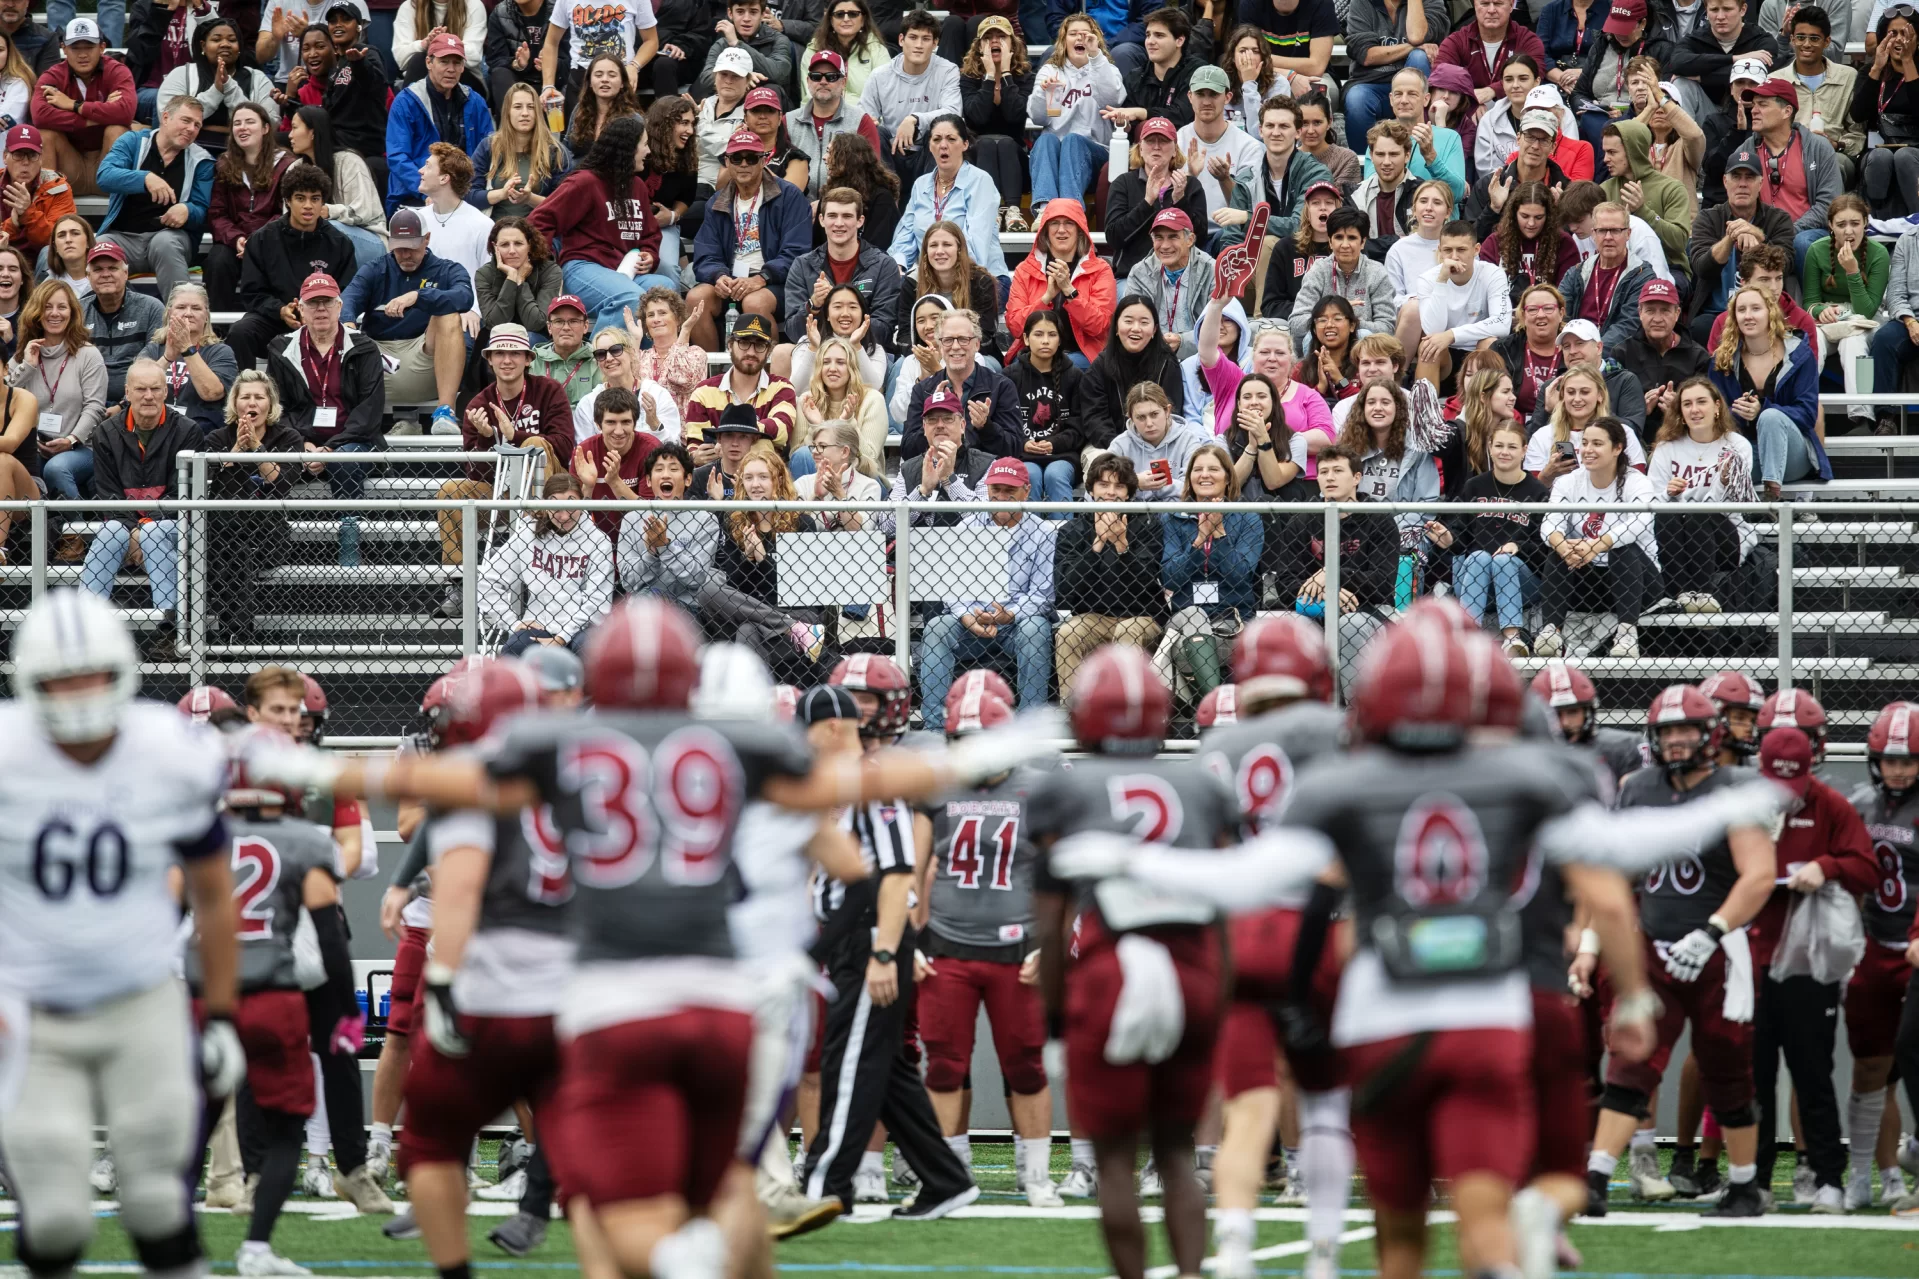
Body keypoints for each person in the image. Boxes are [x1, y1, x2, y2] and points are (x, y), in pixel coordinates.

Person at [0, 591, 241, 1279]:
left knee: (158, 1204)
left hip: (142, 1003)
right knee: (53, 1218)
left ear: (124, 671)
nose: (78, 695)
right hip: (30, 1012)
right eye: (60, 679)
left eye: (93, 675)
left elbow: (213, 892)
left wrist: (221, 1014)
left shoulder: (167, 747)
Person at [1026, 643, 1239, 1279]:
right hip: (1191, 964)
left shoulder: (1065, 791)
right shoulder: (1203, 784)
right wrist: (1219, 1004)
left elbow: (1052, 921)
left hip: (1110, 968)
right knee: (1176, 1152)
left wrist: (1057, 1023)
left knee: (1115, 1158)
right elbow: (1224, 907)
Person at [1587, 683, 1780, 1218]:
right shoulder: (1639, 788)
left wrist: (1713, 930)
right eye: (1668, 730)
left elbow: (1759, 874)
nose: (1676, 740)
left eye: (1686, 729)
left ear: (1708, 732)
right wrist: (1592, 939)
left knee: (1728, 1071)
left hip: (1719, 953)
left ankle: (1743, 1185)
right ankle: (1597, 1178)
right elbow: (1613, 869)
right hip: (1653, 947)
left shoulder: (1734, 789)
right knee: (1632, 1062)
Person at [917, 683, 1062, 1205]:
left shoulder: (1039, 787)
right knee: (943, 1064)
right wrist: (912, 937)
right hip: (947, 944)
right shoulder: (936, 785)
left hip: (1017, 947)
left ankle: (1037, 1172)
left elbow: (1058, 876)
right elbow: (915, 870)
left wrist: (1049, 943)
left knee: (1025, 1064)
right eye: (963, 738)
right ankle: (948, 1169)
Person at [1846, 702, 1919, 1212]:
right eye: (1890, 760)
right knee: (1872, 1069)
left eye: (1909, 760)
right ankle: (1878, 1174)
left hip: (1915, 951)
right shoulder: (1858, 806)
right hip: (1872, 948)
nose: (1898, 769)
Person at [265, 271, 386, 565]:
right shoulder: (281, 348)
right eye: (313, 303)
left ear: (340, 306)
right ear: (301, 309)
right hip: (301, 442)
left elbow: (369, 410)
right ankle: (269, 545)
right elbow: (276, 407)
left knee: (344, 459)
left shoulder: (364, 347)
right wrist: (302, 445)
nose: (321, 309)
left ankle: (349, 539)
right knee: (263, 463)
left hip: (354, 441)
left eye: (327, 302)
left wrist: (330, 449)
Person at [80, 358, 199, 638]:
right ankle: (85, 626)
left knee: (154, 534)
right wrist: (133, 529)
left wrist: (143, 526)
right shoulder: (105, 432)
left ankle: (169, 630)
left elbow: (181, 494)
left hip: (172, 523)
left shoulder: (188, 430)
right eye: (141, 389)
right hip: (125, 523)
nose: (148, 396)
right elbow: (108, 493)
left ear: (166, 391)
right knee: (109, 532)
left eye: (156, 389)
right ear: (128, 392)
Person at [1533, 415, 1659, 660]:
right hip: (1587, 578)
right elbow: (1549, 523)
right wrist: (1565, 547)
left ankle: (1626, 633)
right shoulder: (1567, 482)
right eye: (1585, 443)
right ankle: (1551, 632)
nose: (1587, 450)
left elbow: (1640, 523)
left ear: (1617, 448)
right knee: (1557, 550)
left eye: (1597, 444)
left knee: (1623, 548)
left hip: (1638, 583)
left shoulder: (1637, 482)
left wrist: (1596, 546)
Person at [340, 207, 472, 432]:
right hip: (377, 358)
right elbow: (347, 300)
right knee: (337, 324)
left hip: (425, 357)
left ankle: (445, 411)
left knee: (448, 314)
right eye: (399, 248)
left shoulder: (447, 269)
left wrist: (419, 297)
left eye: (411, 247)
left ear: (426, 239)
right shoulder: (375, 269)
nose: (406, 255)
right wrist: (348, 327)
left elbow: (464, 297)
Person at [225, 162, 357, 375]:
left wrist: (317, 310)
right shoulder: (261, 240)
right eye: (300, 198)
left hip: (323, 320)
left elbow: (348, 292)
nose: (308, 206)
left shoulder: (340, 243)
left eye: (315, 199)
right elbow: (252, 293)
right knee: (241, 332)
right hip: (275, 320)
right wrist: (280, 310)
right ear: (287, 201)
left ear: (323, 202)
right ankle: (243, 394)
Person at [686, 127, 812, 350]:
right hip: (732, 280)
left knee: (754, 302)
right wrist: (718, 276)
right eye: (737, 158)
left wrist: (761, 278)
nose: (744, 164)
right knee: (696, 299)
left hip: (777, 282)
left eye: (751, 158)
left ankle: (771, 375)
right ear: (728, 162)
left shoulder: (789, 196)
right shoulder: (717, 201)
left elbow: (797, 252)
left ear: (763, 161)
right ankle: (714, 374)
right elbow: (706, 252)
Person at [1431, 418, 1549, 653]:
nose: (1504, 452)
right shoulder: (1474, 487)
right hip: (1475, 577)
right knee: (1479, 557)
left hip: (1521, 580)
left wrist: (1518, 546)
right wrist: (1448, 540)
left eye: (1512, 447)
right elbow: (1460, 535)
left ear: (1524, 451)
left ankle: (1513, 638)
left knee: (1502, 559)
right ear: (1490, 447)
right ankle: (1466, 638)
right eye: (1499, 446)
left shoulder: (1538, 492)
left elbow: (1544, 548)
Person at [1156, 443, 1260, 702]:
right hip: (1184, 616)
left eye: (1213, 469)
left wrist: (1221, 535)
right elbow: (1169, 577)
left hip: (1233, 617)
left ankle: (1208, 708)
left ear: (1227, 478)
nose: (1204, 475)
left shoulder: (1247, 517)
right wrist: (1198, 541)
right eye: (1197, 469)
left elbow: (1241, 577)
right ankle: (1219, 704)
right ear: (1189, 478)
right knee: (1194, 614)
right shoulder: (1173, 518)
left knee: (1195, 631)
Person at [1050, 451, 1163, 690]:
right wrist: (1097, 545)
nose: (1111, 492)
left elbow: (1148, 583)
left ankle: (1128, 711)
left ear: (1129, 493)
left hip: (1141, 617)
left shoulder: (1148, 525)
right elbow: (1064, 591)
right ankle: (1073, 715)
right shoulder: (1071, 530)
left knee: (1127, 630)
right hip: (1092, 616)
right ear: (1091, 490)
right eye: (1103, 485)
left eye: (1119, 486)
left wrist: (1122, 545)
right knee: (1067, 633)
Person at [1708, 283, 1826, 501]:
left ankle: (1771, 498)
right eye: (1741, 310)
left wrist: (1763, 408)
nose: (1748, 316)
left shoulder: (1799, 355)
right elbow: (1714, 415)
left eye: (1756, 308)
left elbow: (1808, 414)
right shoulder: (1722, 359)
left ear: (1770, 312)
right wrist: (1738, 413)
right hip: (1746, 454)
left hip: (1791, 456)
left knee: (1770, 417)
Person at [1648, 375, 1753, 614]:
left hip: (1724, 538)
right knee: (1668, 514)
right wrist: (1670, 493)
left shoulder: (1737, 446)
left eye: (1701, 402)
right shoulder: (1667, 448)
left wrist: (1723, 483)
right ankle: (1681, 594)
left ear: (1717, 406)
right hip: (1675, 537)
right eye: (1687, 404)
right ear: (1680, 411)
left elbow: (1730, 508)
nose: (1694, 410)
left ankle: (1703, 592)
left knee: (1699, 513)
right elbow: (1651, 504)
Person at [479, 471, 614, 657]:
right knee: (514, 649)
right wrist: (513, 623)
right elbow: (488, 581)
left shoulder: (598, 540)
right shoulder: (528, 533)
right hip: (539, 623)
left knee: (588, 649)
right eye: (556, 507)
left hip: (582, 628)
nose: (564, 516)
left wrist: (561, 638)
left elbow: (598, 602)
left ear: (582, 502)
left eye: (571, 505)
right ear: (544, 505)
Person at [93, 94, 212, 304]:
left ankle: (181, 320)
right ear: (165, 117)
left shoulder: (201, 161)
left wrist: (187, 210)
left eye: (197, 125)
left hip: (169, 237)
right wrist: (145, 178)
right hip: (123, 236)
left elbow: (202, 209)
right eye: (186, 120)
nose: (191, 129)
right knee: (100, 246)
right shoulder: (133, 141)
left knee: (164, 243)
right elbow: (105, 176)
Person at [781, 186, 903, 368]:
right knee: (780, 352)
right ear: (821, 220)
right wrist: (813, 305)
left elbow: (883, 330)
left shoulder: (883, 265)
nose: (839, 223)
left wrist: (842, 307)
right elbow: (792, 330)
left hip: (865, 352)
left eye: (847, 216)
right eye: (832, 216)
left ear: (860, 221)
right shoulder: (802, 265)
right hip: (817, 351)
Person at [887, 115, 1010, 287]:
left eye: (951, 139)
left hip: (980, 279)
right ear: (930, 146)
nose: (943, 145)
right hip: (930, 279)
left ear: (965, 144)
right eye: (936, 139)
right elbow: (904, 236)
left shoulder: (980, 181)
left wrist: (941, 275)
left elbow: (976, 247)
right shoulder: (920, 185)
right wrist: (898, 265)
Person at [11, 276, 103, 505]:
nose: (54, 313)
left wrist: (71, 440)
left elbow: (95, 406)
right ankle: (26, 534)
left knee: (56, 468)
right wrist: (28, 367)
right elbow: (3, 396)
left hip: (81, 447)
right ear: (37, 313)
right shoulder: (24, 355)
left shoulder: (88, 355)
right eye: (47, 307)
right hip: (34, 449)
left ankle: (75, 533)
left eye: (62, 307)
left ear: (72, 313)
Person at [1688, 147, 1794, 343]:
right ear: (1725, 182)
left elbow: (1785, 266)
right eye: (1736, 176)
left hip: (1766, 310)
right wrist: (1730, 238)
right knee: (1700, 327)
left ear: (1761, 183)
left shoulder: (1778, 219)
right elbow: (1702, 268)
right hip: (1717, 312)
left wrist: (1759, 237)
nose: (1743, 184)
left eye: (1750, 177)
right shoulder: (1708, 218)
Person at [1803, 193, 1886, 433]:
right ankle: (1802, 406)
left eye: (1855, 223)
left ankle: (1861, 415)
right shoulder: (1816, 251)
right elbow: (1809, 302)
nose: (1848, 231)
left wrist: (1852, 271)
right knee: (1812, 340)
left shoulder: (1878, 253)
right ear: (1830, 226)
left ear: (1865, 223)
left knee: (1853, 342)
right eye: (1841, 225)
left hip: (1865, 319)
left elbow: (1867, 310)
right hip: (1829, 319)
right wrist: (1821, 310)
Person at [385, 32, 493, 214]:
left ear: (462, 67)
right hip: (415, 193)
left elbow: (489, 151)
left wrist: (470, 190)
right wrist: (427, 191)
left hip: (465, 194)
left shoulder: (475, 102)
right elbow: (397, 156)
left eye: (457, 62)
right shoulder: (406, 101)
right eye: (444, 61)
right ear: (429, 62)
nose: (451, 69)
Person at [31, 18, 137, 197]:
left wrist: (74, 105)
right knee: (45, 134)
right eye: (75, 48)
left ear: (102, 47)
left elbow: (126, 112)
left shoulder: (118, 70)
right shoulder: (53, 75)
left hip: (107, 167)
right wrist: (96, 115)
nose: (82, 55)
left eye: (89, 47)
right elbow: (40, 116)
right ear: (64, 49)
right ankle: (47, 206)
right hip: (70, 166)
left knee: (118, 129)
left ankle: (123, 209)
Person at [203, 103, 293, 311]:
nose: (242, 127)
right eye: (237, 123)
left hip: (272, 241)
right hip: (236, 242)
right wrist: (237, 239)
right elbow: (217, 214)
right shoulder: (224, 164)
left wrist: (257, 240)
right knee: (217, 261)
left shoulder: (286, 164)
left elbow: (284, 213)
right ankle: (216, 328)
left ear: (265, 128)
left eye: (249, 122)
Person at [1026, 15, 1123, 207]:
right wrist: (1042, 93)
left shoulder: (1108, 69)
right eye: (1073, 34)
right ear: (1063, 41)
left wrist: (1095, 57)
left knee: (1073, 140)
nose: (1080, 38)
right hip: (1056, 153)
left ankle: (1071, 209)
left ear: (1095, 39)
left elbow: (1112, 101)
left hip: (1096, 153)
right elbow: (1039, 118)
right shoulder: (1050, 71)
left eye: (1085, 34)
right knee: (1045, 139)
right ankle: (1045, 208)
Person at [901, 306, 1022, 459]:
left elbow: (1014, 449)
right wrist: (931, 417)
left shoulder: (1001, 386)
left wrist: (986, 427)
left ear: (977, 344)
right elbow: (908, 451)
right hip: (936, 474)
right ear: (940, 345)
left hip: (986, 478)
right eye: (948, 340)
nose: (956, 346)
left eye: (964, 339)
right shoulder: (923, 390)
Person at [860, 8, 960, 190]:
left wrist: (914, 119)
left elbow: (953, 113)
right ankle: (886, 199)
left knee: (941, 132)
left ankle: (932, 203)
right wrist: (870, 122)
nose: (919, 45)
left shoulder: (948, 70)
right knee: (874, 132)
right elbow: (864, 116)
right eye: (913, 37)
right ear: (901, 40)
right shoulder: (880, 75)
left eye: (926, 39)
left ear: (936, 43)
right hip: (891, 153)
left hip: (927, 152)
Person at [1104, 115, 1210, 282]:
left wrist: (1180, 201)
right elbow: (1113, 238)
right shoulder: (1123, 183)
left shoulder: (1190, 185)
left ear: (1175, 149)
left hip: (1182, 278)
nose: (1156, 146)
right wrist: (1147, 202)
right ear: (1140, 148)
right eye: (1150, 141)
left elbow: (1201, 238)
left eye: (1164, 141)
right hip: (1132, 277)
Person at [616, 439, 718, 606]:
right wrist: (651, 553)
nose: (665, 474)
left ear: (688, 479)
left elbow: (696, 578)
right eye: (659, 469)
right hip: (644, 607)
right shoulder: (632, 519)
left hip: (687, 608)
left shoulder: (705, 519)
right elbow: (628, 581)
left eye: (673, 469)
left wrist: (664, 546)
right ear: (648, 480)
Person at [284, 106, 387, 270]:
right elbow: (287, 215)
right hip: (321, 238)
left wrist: (328, 211)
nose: (290, 135)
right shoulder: (294, 169)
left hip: (369, 240)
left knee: (329, 229)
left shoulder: (349, 161)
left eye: (295, 128)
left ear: (313, 132)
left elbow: (366, 211)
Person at [1413, 219, 1513, 384]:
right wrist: (1442, 280)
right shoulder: (1428, 279)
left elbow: (1502, 324)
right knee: (1428, 346)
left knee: (1489, 343)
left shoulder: (1492, 274)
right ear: (1439, 250)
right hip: (1445, 354)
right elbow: (1433, 329)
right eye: (1447, 250)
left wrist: (1453, 335)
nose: (1454, 257)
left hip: (1478, 349)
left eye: (1461, 250)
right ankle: (1424, 406)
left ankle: (1482, 405)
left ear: (1476, 250)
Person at [159, 18, 275, 155]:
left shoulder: (258, 79)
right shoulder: (181, 75)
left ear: (239, 48)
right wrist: (216, 91)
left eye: (232, 40)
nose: (225, 44)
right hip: (188, 151)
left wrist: (230, 89)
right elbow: (166, 116)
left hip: (244, 154)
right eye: (216, 40)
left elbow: (271, 123)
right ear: (203, 46)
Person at [135, 282, 236, 437]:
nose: (188, 313)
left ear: (206, 316)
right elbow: (137, 386)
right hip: (155, 429)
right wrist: (167, 358)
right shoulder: (154, 349)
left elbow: (211, 393)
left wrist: (187, 349)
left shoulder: (221, 352)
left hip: (201, 432)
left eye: (196, 308)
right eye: (181, 307)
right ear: (169, 313)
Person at [1004, 309, 1084, 503]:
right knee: (1029, 475)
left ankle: (1065, 533)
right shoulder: (1010, 376)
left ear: (1060, 339)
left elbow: (1079, 426)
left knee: (1055, 476)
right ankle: (1030, 534)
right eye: (1038, 334)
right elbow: (1005, 424)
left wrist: (1055, 443)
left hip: (1063, 454)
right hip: (1022, 454)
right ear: (1026, 338)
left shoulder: (1074, 376)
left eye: (1052, 334)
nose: (1046, 341)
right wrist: (1023, 442)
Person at [1342, 0, 1446, 148]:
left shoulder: (1430, 2)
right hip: (1373, 84)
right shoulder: (1362, 2)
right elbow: (1366, 54)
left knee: (1419, 57)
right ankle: (1363, 166)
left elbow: (1417, 36)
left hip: (1414, 88)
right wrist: (1411, 47)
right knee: (1356, 99)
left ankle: (1415, 152)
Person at [1287, 206, 1395, 346]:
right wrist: (1333, 315)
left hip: (1362, 351)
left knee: (1364, 335)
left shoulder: (1376, 273)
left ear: (1363, 242)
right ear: (1330, 242)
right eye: (1338, 237)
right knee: (1310, 338)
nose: (1345, 245)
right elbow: (1296, 324)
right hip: (1322, 347)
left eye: (1352, 238)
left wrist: (1349, 321)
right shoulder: (1318, 270)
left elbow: (1387, 328)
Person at [790, 50, 884, 204]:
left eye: (831, 77)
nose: (823, 81)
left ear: (843, 82)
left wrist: (823, 206)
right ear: (807, 81)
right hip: (797, 210)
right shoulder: (789, 120)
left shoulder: (862, 121)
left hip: (844, 209)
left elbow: (870, 176)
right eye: (816, 76)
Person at [1614, 277, 1710, 427]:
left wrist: (1681, 409)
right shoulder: (1622, 354)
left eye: (1665, 311)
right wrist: (1637, 411)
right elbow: (1609, 411)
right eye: (1650, 310)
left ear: (1677, 313)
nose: (1657, 319)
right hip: (1635, 438)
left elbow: (1708, 412)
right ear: (1640, 312)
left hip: (1684, 437)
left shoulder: (1698, 357)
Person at [1363, 67, 1466, 207]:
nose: (1404, 100)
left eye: (1412, 94)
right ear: (1391, 99)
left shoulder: (1450, 138)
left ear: (1426, 99)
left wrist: (1431, 157)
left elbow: (1457, 193)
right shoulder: (1379, 139)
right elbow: (1369, 193)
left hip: (1437, 226)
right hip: (1391, 225)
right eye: (1398, 94)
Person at [1175, 65, 1263, 226]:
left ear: (1228, 97)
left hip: (1228, 233)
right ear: (1190, 96)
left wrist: (1224, 179)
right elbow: (1167, 204)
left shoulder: (1248, 147)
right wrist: (1191, 177)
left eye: (1214, 94)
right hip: (1184, 230)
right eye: (1200, 94)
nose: (1207, 101)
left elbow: (1247, 211)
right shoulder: (1177, 140)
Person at [1559, 199, 1653, 350]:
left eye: (1615, 230)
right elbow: (1561, 315)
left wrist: (1595, 352)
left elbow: (1628, 326)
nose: (1608, 237)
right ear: (1593, 234)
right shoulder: (1576, 273)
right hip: (1574, 352)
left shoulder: (1642, 276)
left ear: (1628, 234)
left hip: (1616, 358)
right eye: (1602, 231)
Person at [1779, 7, 1859, 185]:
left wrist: (1837, 145)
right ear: (1792, 39)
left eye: (1814, 38)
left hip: (1835, 154)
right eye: (1800, 37)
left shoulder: (1848, 77)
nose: (1806, 44)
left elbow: (1857, 133)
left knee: (1833, 165)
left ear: (1827, 41)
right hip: (1787, 153)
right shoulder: (1776, 80)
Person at [470, 82, 568, 223]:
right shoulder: (489, 146)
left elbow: (565, 205)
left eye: (531, 107)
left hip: (538, 234)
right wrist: (501, 194)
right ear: (507, 112)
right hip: (495, 233)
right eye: (517, 107)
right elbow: (469, 195)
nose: (525, 113)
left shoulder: (554, 151)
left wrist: (530, 199)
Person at [538, 0, 658, 111]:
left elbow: (651, 41)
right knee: (575, 133)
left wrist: (634, 66)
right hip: (581, 77)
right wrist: (548, 85)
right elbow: (551, 43)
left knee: (622, 130)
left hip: (619, 77)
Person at [1856, 8, 1919, 217]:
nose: (1899, 40)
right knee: (1881, 156)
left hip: (1915, 149)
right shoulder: (1871, 71)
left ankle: (1916, 222)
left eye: (1906, 34)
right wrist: (1876, 67)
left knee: (1904, 156)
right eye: (1893, 34)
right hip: (1879, 147)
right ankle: (1876, 223)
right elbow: (1857, 114)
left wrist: (1909, 62)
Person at [795, 332, 887, 472]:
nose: (832, 369)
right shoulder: (807, 401)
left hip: (862, 481)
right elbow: (798, 457)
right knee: (803, 455)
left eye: (840, 362)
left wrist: (848, 423)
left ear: (852, 368)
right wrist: (817, 426)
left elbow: (869, 460)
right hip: (816, 478)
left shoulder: (873, 400)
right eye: (826, 362)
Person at [1107, 380, 1209, 504]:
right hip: (1132, 516)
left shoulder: (1189, 440)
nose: (1149, 423)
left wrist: (1132, 484)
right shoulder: (1120, 445)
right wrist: (1136, 482)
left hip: (1175, 514)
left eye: (1154, 414)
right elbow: (1102, 488)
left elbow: (1193, 488)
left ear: (1167, 411)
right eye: (1141, 417)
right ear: (1131, 418)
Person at [1480, 179, 1576, 307]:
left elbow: (1566, 296)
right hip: (1504, 317)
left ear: (1548, 216)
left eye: (1538, 217)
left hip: (1547, 316)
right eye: (1524, 216)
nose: (1531, 224)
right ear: (1514, 214)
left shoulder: (1564, 243)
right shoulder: (1494, 242)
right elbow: (1486, 293)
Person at [1107, 5, 1197, 140]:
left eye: (1159, 35)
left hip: (1184, 150)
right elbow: (1130, 129)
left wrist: (1143, 113)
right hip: (1140, 154)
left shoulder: (1196, 72)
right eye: (1148, 35)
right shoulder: (1135, 77)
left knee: (1148, 126)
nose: (1150, 42)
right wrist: (1125, 126)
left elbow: (1182, 116)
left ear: (1179, 40)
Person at [1671, 0, 1781, 108]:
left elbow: (1758, 73)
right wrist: (1735, 59)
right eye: (1714, 10)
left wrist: (1702, 77)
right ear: (1706, 10)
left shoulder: (1761, 40)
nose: (1720, 16)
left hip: (1751, 112)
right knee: (1681, 82)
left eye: (1727, 9)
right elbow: (1677, 62)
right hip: (1706, 111)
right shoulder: (1697, 38)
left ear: (1742, 9)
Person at [476, 216, 564, 337]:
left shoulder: (550, 271)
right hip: (498, 340)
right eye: (504, 245)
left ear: (529, 244)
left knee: (530, 337)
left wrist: (520, 281)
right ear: (495, 247)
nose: (512, 251)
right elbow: (496, 324)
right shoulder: (484, 274)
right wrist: (511, 278)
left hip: (536, 339)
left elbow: (536, 323)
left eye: (518, 243)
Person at [631, 287, 707, 420]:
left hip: (683, 437)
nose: (656, 319)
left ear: (677, 319)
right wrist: (636, 340)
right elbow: (628, 389)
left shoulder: (696, 354)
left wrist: (686, 330)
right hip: (646, 435)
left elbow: (681, 379)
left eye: (662, 313)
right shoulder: (641, 357)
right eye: (650, 315)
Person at [0, 123, 72, 262]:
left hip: (44, 264)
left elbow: (60, 239)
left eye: (32, 155)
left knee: (49, 252)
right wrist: (13, 224)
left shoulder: (58, 187)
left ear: (40, 159)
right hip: (3, 263)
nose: (25, 162)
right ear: (5, 157)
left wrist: (28, 214)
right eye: (18, 155)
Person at [692, 0, 786, 102]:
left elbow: (779, 73)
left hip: (762, 104)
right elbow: (705, 78)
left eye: (753, 12)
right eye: (740, 12)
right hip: (728, 100)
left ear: (763, 15)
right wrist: (743, 77)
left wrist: (737, 44)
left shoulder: (778, 40)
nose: (746, 19)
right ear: (730, 14)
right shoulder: (722, 43)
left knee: (772, 88)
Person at [1349, 121, 1416, 263]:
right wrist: (1398, 240)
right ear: (1371, 156)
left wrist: (1373, 245)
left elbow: (1422, 246)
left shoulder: (1422, 193)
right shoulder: (1356, 195)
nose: (1386, 161)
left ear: (1407, 156)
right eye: (1380, 154)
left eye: (1393, 154)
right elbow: (1352, 246)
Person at [807, 0, 888, 105]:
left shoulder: (878, 51)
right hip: (822, 115)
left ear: (863, 20)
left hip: (866, 117)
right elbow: (809, 95)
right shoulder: (814, 49)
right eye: (839, 14)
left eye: (853, 14)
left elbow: (884, 95)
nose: (846, 19)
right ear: (831, 20)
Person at [532, 293, 600, 411]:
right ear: (549, 327)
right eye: (559, 321)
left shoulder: (599, 358)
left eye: (573, 321)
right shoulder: (533, 360)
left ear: (585, 326)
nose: (566, 327)